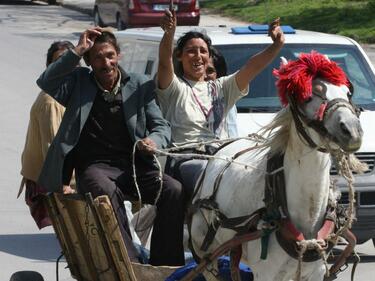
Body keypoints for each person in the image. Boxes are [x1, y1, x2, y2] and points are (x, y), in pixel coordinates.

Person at [36, 27, 185, 266]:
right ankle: (130, 264)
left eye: (110, 55)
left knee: (173, 190)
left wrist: (153, 141)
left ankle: (166, 264)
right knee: (106, 192)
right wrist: (77, 50)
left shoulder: (139, 84)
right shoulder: (78, 82)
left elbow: (161, 126)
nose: (106, 63)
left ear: (118, 55)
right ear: (89, 62)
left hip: (133, 167)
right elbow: (46, 80)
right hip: (94, 167)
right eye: (98, 57)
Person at [157, 10, 284, 198]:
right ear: (179, 56)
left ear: (209, 57)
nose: (197, 56)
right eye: (191, 51)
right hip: (186, 159)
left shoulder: (222, 87)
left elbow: (252, 67)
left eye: (203, 51)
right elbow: (164, 63)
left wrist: (276, 45)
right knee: (211, 175)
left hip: (221, 157)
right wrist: (169, 33)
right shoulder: (175, 88)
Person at [19, 41, 76, 230]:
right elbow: (53, 149)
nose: (67, 65)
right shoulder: (51, 101)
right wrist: (69, 183)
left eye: (71, 60)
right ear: (51, 68)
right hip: (51, 179)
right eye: (60, 61)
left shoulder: (70, 94)